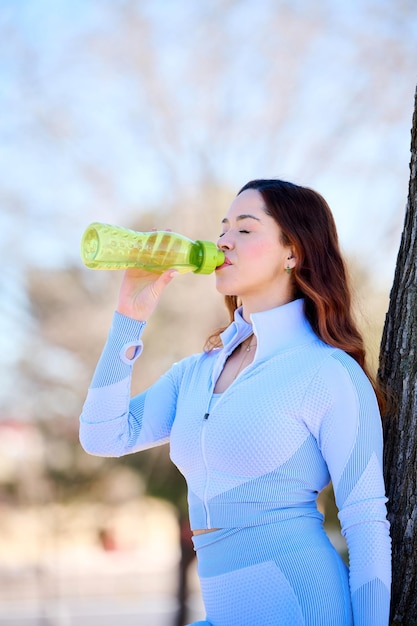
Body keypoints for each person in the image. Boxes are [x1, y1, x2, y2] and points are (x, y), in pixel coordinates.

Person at [79, 179, 391, 625]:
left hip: (302, 607)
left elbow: (365, 524)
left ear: (293, 252)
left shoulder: (327, 372)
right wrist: (128, 319)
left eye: (245, 229)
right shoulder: (197, 372)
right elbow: (102, 435)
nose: (223, 239)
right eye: (223, 227)